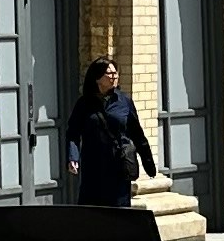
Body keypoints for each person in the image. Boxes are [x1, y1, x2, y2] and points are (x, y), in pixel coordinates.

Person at [63, 55, 155, 208]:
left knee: (118, 215)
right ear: (98, 78)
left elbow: (137, 134)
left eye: (116, 73)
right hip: (93, 169)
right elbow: (73, 132)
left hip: (118, 168)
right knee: (92, 215)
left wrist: (148, 164)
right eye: (110, 74)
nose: (115, 77)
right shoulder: (84, 104)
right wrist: (73, 157)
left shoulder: (124, 102)